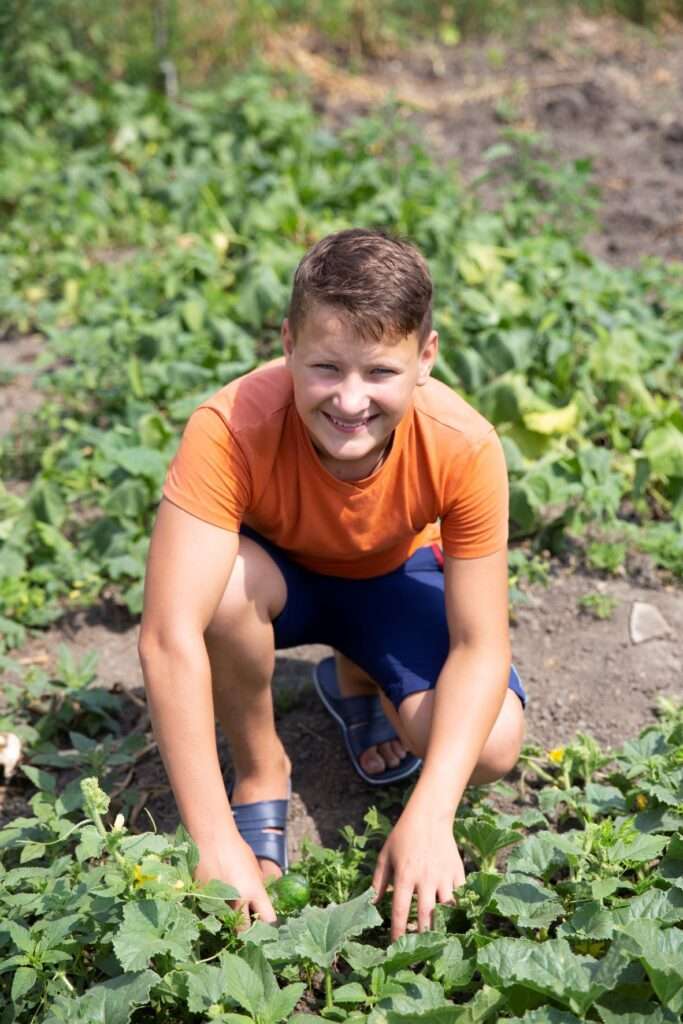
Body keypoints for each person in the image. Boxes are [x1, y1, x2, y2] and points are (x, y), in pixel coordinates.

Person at [138, 228, 527, 941]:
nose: (350, 401)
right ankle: (260, 769)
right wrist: (211, 837)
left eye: (379, 372)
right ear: (286, 343)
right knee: (219, 588)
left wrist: (431, 813)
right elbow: (168, 637)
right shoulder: (228, 429)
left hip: (390, 580)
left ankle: (360, 675)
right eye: (324, 367)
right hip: (276, 583)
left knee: (495, 741)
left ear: (425, 360)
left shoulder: (463, 444)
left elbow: (480, 643)